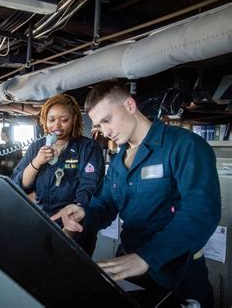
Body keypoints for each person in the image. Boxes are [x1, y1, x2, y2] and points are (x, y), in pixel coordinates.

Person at [52, 79, 221, 307]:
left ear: (130, 106)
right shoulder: (119, 162)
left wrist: (147, 257)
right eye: (99, 125)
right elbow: (104, 206)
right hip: (131, 268)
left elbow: (201, 213)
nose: (105, 131)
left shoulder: (184, 145)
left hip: (177, 273)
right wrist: (83, 212)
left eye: (107, 120)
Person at [12, 94, 104, 256]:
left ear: (74, 119)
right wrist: (37, 162)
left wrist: (72, 222)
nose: (57, 125)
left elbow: (89, 186)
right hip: (44, 221)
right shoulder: (37, 147)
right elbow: (19, 185)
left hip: (76, 222)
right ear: (45, 121)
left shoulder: (87, 148)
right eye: (52, 119)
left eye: (64, 119)